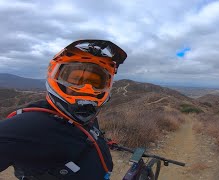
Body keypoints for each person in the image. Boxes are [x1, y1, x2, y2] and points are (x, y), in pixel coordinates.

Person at [0, 39, 127, 180]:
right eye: (76, 79)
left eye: (96, 83)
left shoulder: (86, 117)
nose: (86, 88)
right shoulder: (25, 126)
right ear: (55, 74)